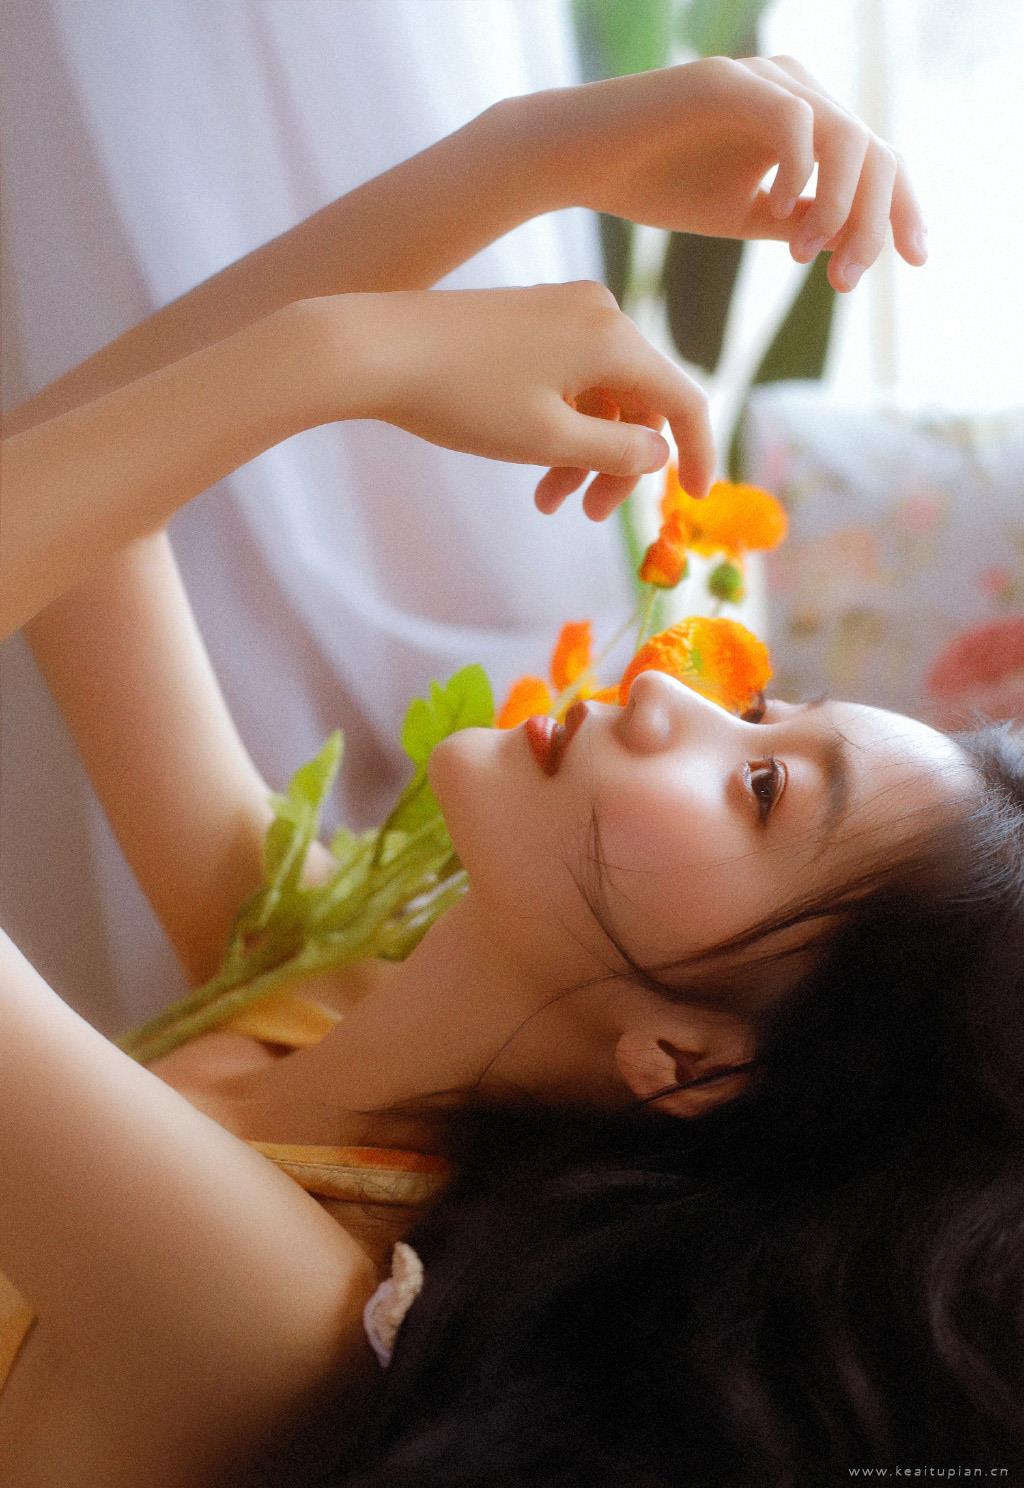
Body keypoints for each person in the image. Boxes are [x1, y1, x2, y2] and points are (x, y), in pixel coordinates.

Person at [5, 52, 1017, 1488]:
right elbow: (86, 499)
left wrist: (346, 361)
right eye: (763, 713)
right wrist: (529, 157)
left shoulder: (280, 1315)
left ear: (688, 1063)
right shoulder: (323, 985)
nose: (668, 690)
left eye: (762, 792)